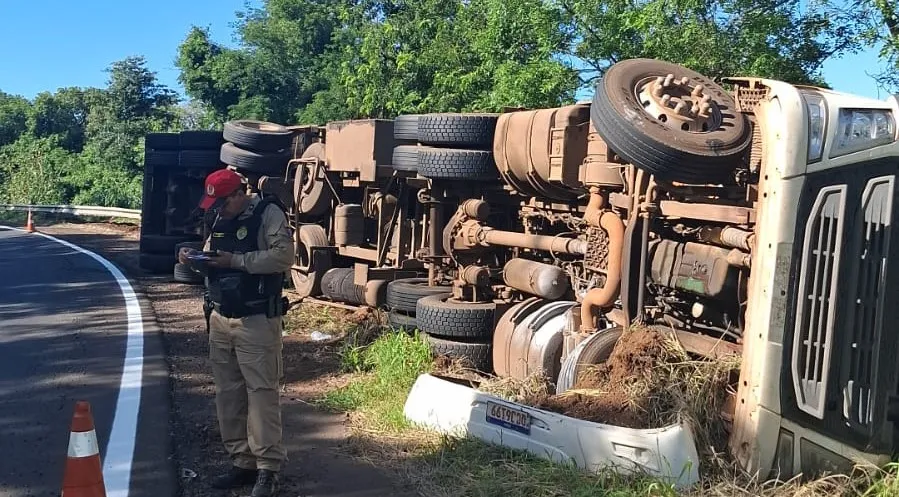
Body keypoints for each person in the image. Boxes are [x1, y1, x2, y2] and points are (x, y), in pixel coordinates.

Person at [178, 168, 294, 496]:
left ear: (240, 194)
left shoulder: (267, 214)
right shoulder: (219, 216)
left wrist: (237, 261)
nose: (218, 210)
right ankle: (242, 461)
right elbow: (212, 251)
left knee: (261, 393)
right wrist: (192, 258)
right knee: (228, 393)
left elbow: (283, 257)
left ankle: (268, 468)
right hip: (220, 317)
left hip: (256, 319)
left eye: (222, 203)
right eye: (213, 204)